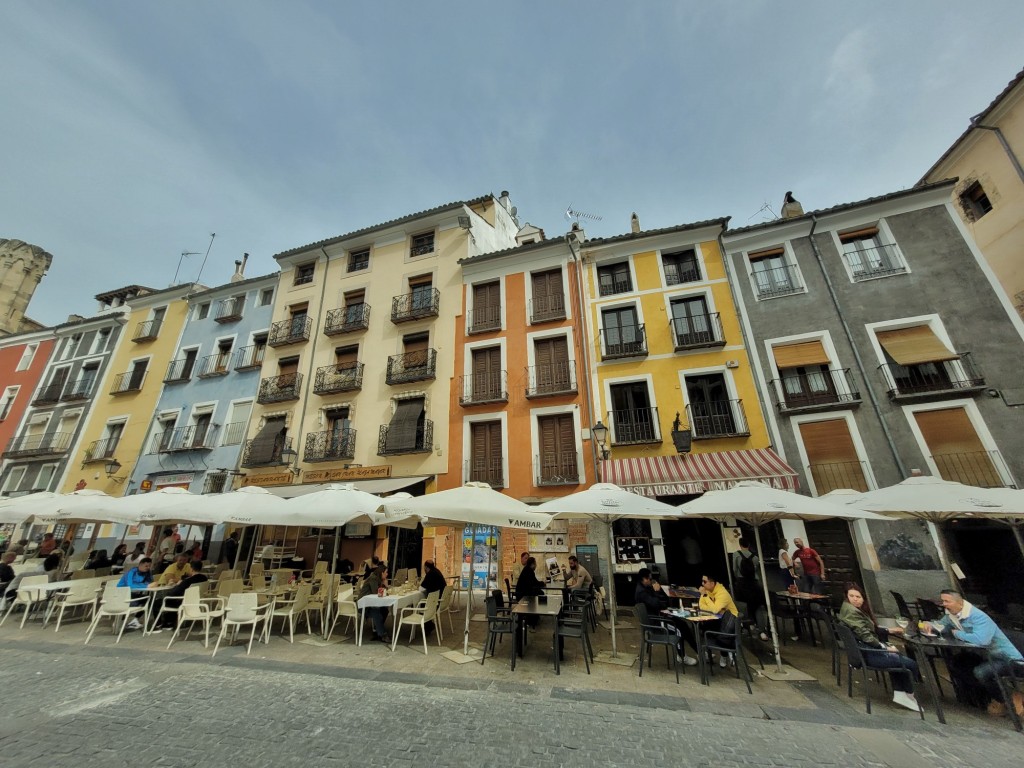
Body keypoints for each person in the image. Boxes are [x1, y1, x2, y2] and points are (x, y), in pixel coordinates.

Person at [926, 589, 1024, 717]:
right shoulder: (951, 615)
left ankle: (1008, 697)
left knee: (981, 672)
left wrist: (957, 633)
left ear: (959, 603)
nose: (943, 604)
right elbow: (941, 625)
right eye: (943, 601)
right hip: (987, 656)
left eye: (947, 601)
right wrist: (929, 624)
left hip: (1008, 659)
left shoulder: (978, 616)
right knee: (958, 663)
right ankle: (986, 698)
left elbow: (981, 640)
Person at [838, 583, 921, 712]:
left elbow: (866, 629)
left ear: (863, 598)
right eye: (852, 596)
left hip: (865, 652)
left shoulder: (850, 610)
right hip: (869, 654)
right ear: (846, 597)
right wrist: (883, 647)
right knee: (910, 664)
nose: (855, 599)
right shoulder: (852, 613)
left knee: (899, 660)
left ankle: (901, 692)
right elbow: (865, 635)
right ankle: (908, 693)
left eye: (858, 596)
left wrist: (888, 631)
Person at [634, 567, 698, 666]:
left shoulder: (646, 588)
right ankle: (682, 656)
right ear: (645, 579)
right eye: (650, 579)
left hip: (661, 616)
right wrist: (657, 592)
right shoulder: (642, 593)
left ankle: (698, 651)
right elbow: (656, 603)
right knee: (678, 630)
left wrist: (659, 592)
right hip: (656, 622)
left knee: (683, 624)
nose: (651, 581)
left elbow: (663, 603)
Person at [151, 560, 211, 631]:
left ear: (191, 569)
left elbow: (173, 593)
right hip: (196, 601)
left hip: (183, 601)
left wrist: (177, 585)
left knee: (158, 602)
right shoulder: (204, 578)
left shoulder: (188, 581)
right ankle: (169, 622)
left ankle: (160, 624)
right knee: (170, 600)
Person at [732, 538, 769, 641]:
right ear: (749, 544)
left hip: (742, 582)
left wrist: (737, 578)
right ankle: (762, 630)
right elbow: (757, 569)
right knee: (758, 605)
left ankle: (747, 625)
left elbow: (734, 569)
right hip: (754, 583)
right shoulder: (755, 556)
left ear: (740, 544)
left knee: (743, 605)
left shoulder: (736, 554)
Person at [699, 573, 739, 668]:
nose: (702, 584)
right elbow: (701, 606)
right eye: (702, 581)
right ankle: (724, 652)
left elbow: (715, 609)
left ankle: (726, 652)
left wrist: (705, 596)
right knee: (705, 627)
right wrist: (711, 605)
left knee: (719, 634)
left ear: (712, 583)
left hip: (731, 621)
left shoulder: (722, 593)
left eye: (704, 581)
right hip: (718, 619)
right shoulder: (708, 591)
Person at [357, 564, 390, 642]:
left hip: (370, 603)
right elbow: (376, 593)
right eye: (386, 572)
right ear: (381, 573)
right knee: (376, 612)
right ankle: (382, 634)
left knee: (385, 610)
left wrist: (385, 585)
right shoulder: (373, 579)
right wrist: (385, 585)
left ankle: (377, 631)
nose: (387, 574)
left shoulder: (377, 579)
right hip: (363, 605)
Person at [419, 560, 446, 637]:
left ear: (426, 567)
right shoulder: (437, 571)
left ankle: (428, 626)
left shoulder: (430, 574)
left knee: (420, 605)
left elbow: (421, 588)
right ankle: (428, 625)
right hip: (440, 600)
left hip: (436, 602)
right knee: (422, 603)